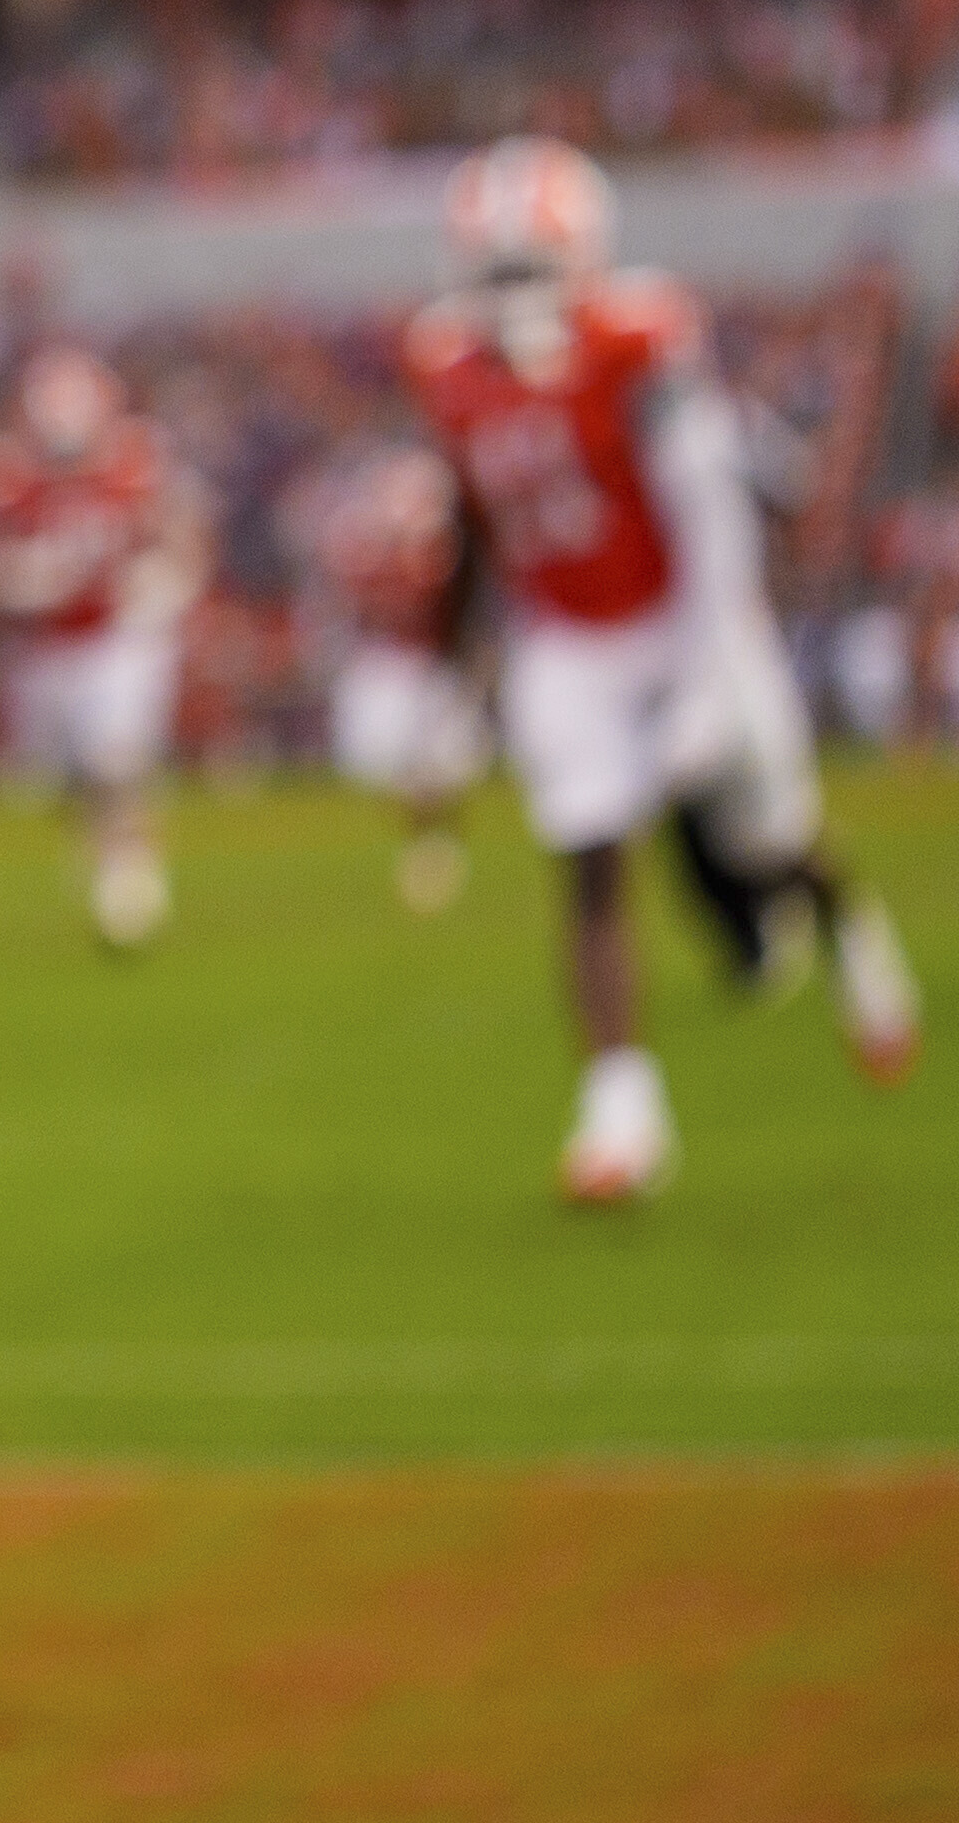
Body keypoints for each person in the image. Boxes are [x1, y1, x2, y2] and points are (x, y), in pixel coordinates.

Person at [400, 138, 918, 1203]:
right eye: (494, 274)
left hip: (693, 616)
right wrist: (451, 689)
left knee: (769, 841)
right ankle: (621, 1116)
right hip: (571, 637)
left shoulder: (640, 342)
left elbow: (712, 520)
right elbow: (474, 530)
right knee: (589, 855)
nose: (512, 299)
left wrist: (698, 682)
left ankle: (853, 932)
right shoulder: (446, 368)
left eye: (530, 268)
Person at [0, 345, 205, 950]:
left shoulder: (136, 459)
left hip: (119, 637)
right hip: (45, 651)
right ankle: (110, 857)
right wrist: (19, 580)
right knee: (59, 779)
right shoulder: (6, 475)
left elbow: (184, 534)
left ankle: (130, 879)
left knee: (117, 759)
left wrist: (167, 584)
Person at [310, 440, 489, 914]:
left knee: (441, 767)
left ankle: (434, 846)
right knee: (378, 765)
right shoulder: (369, 546)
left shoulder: (444, 549)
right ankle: (420, 841)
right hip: (387, 664)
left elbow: (462, 612)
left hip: (432, 665)